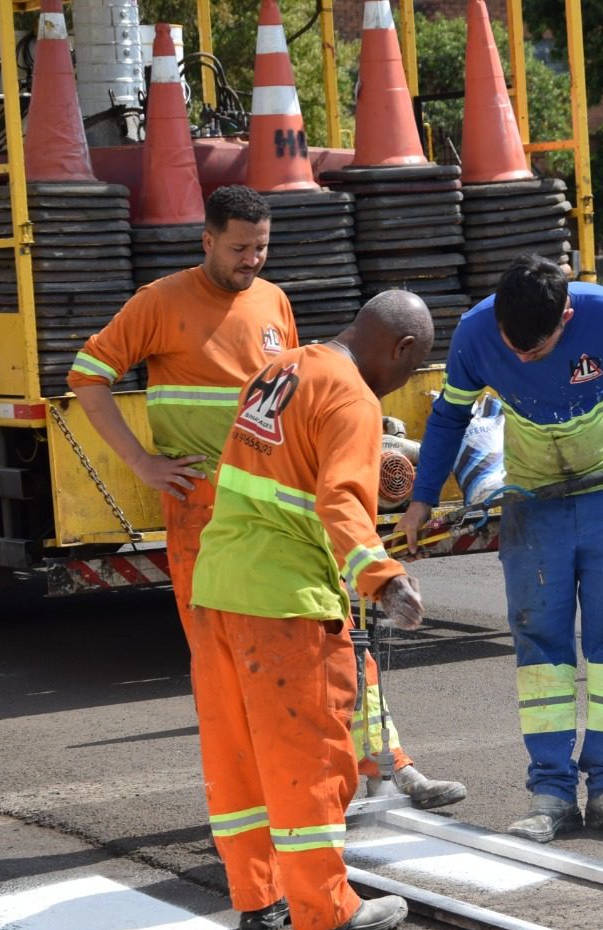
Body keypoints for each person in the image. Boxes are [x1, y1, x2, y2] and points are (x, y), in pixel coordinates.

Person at [67, 185, 463, 810]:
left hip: (288, 506)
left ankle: (386, 763)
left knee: (337, 633)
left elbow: (303, 390)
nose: (251, 259)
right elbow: (87, 376)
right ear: (207, 241)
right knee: (228, 669)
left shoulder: (274, 301)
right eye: (238, 247)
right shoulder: (160, 302)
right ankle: (270, 798)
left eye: (261, 247)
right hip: (204, 513)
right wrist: (142, 462)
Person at [392, 255, 603, 843]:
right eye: (513, 346)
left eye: (535, 348)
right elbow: (449, 417)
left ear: (566, 315)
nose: (522, 357)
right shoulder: (477, 332)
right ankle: (551, 793)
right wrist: (421, 498)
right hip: (534, 500)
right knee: (541, 643)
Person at [184, 291, 434, 930]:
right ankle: (324, 910)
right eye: (410, 372)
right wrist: (384, 578)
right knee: (309, 761)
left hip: (217, 588)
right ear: (401, 349)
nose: (401, 386)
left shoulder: (280, 369)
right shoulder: (353, 397)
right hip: (283, 602)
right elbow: (342, 503)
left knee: (236, 756)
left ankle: (258, 897)